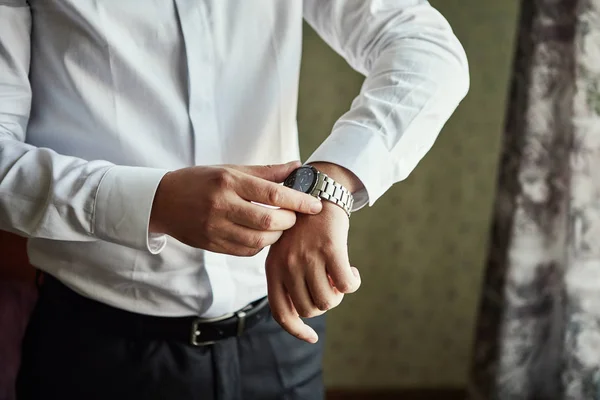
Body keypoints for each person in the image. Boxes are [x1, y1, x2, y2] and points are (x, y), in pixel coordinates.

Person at [0, 1, 469, 399]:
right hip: (95, 353)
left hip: (280, 338)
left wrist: (332, 184)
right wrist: (154, 202)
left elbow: (425, 49)